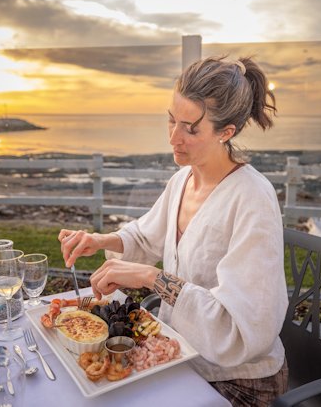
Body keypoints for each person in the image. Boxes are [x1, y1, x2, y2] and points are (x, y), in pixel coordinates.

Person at [59, 55, 289, 407]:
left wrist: (153, 278)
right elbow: (144, 237)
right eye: (171, 120)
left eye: (190, 128)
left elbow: (242, 331)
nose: (173, 138)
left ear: (226, 132)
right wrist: (99, 240)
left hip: (238, 381)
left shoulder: (252, 199)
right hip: (179, 354)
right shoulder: (183, 179)